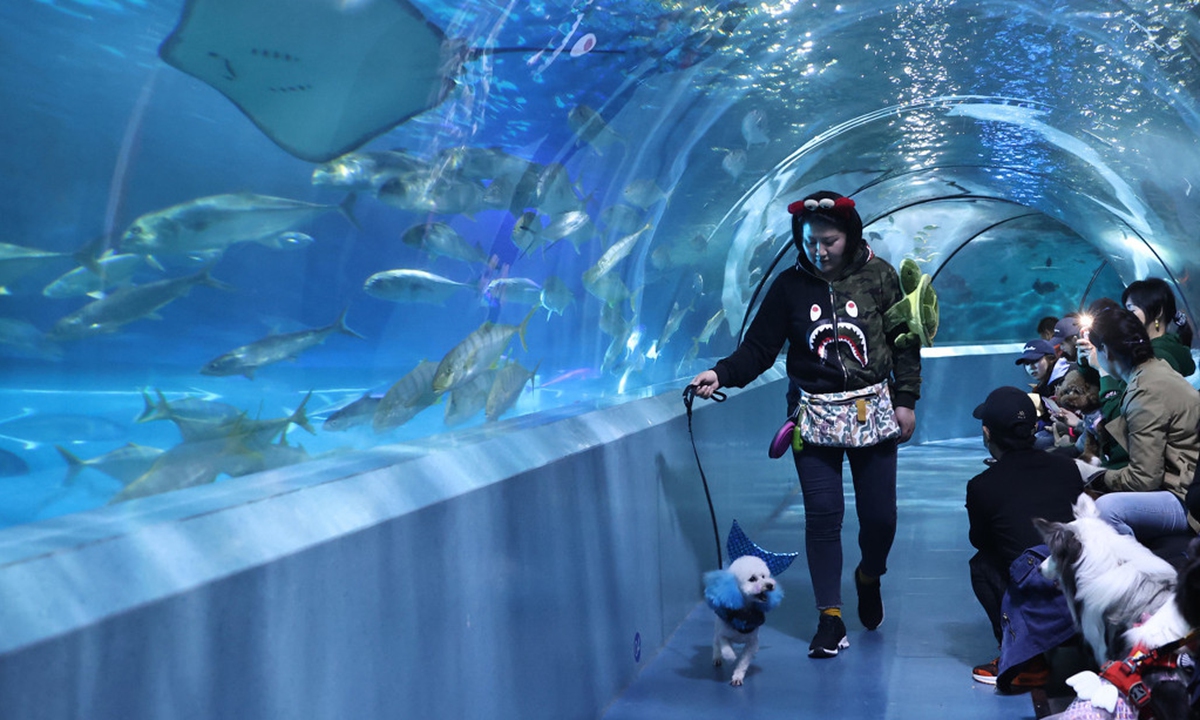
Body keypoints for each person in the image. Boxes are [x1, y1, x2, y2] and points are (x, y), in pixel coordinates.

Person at [689, 190, 921, 659]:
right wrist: (722, 373)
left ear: (850, 236)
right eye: (811, 241)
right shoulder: (788, 287)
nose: (820, 250)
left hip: (872, 413)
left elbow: (904, 342)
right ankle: (829, 618)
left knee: (880, 519)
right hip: (811, 417)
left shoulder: (880, 276)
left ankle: (869, 573)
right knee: (823, 516)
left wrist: (906, 399)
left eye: (830, 241)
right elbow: (758, 348)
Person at [965, 386, 1083, 688]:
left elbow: (980, 540)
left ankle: (1024, 660)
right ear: (1033, 428)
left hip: (1040, 594)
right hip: (1084, 594)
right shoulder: (1068, 467)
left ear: (987, 433)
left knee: (981, 564)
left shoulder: (982, 485)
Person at [1081, 308, 1200, 542]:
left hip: (1185, 497)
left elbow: (1144, 480)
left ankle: (1139, 572)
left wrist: (1096, 475)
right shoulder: (1156, 368)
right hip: (1186, 482)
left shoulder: (1144, 392)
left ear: (1104, 350)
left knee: (1107, 509)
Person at [1122, 277, 1196, 377]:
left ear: (1158, 312)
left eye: (1132, 310)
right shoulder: (1173, 344)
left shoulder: (1156, 355)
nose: (1127, 316)